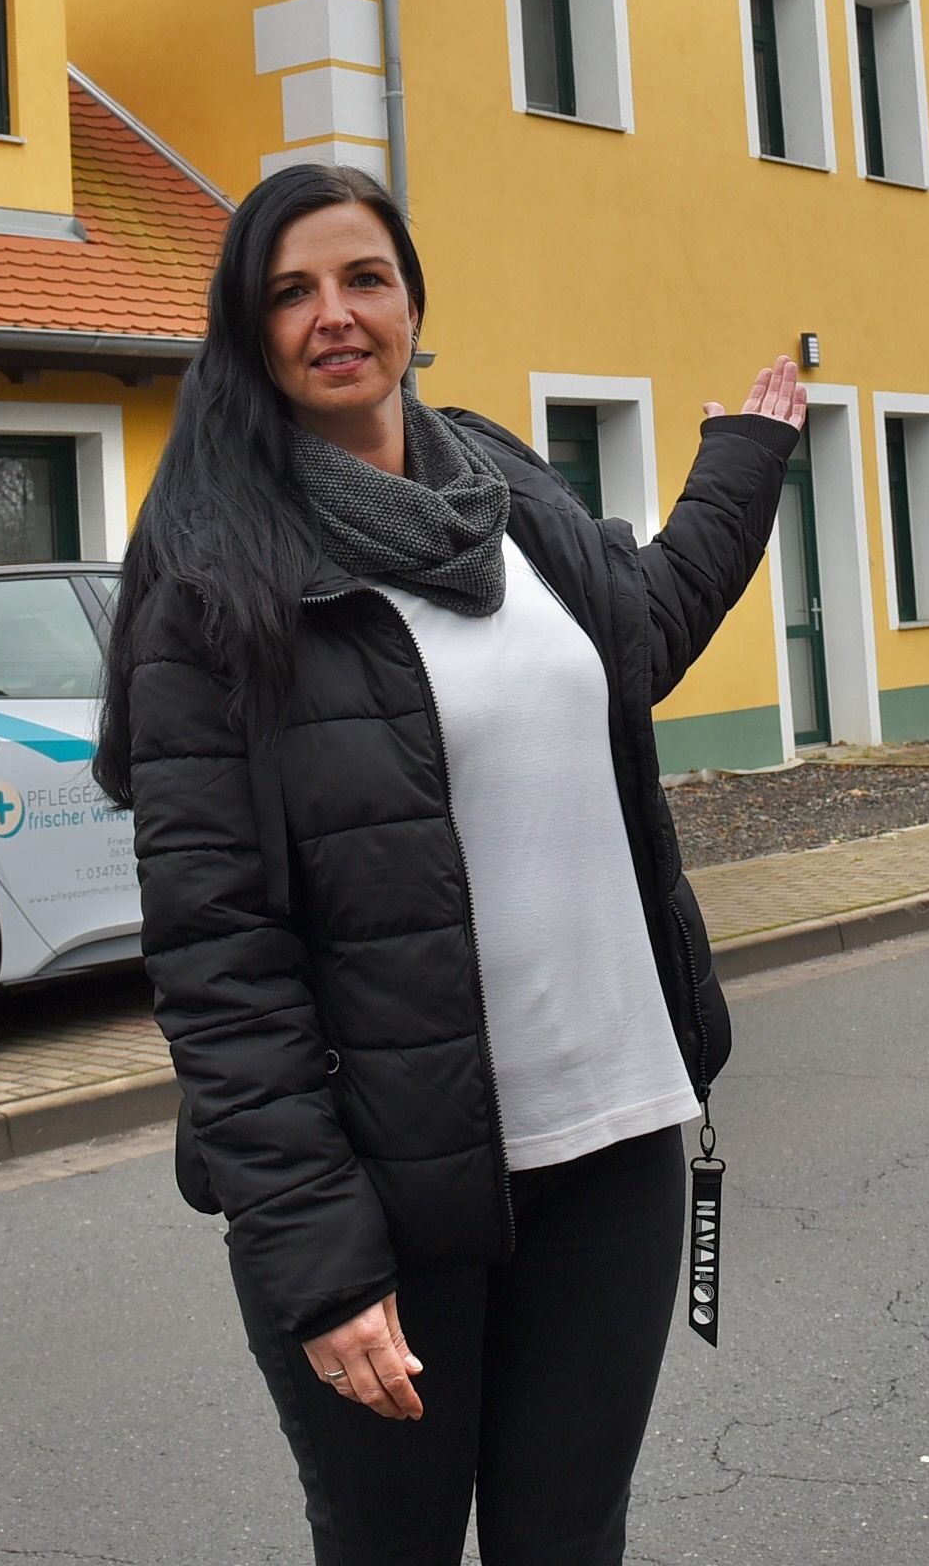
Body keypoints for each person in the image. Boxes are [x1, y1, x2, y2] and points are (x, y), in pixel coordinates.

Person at [98, 162, 805, 1566]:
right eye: (292, 292)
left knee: (569, 1539)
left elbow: (638, 637)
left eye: (364, 278)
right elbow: (219, 961)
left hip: (613, 1145)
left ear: (412, 303)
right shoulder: (214, 581)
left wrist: (744, 462)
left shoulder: (502, 492)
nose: (335, 314)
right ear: (248, 330)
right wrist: (319, 1260)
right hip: (389, 1188)